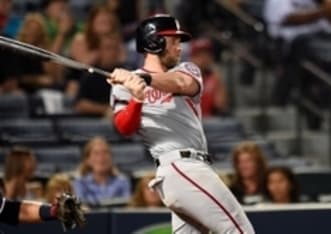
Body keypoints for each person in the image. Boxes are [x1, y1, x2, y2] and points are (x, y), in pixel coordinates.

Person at [108, 14, 254, 234]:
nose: (179, 47)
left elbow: (181, 83)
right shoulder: (125, 85)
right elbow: (124, 128)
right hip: (179, 166)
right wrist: (137, 98)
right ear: (153, 41)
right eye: (173, 40)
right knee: (240, 231)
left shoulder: (187, 69)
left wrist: (144, 80)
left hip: (193, 168)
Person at [74, 33, 127, 117]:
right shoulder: (91, 74)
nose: (112, 52)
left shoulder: (127, 74)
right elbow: (80, 105)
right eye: (108, 48)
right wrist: (106, 109)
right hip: (96, 121)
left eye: (115, 48)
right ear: (100, 51)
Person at [73, 136, 131, 206]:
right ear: (87, 160)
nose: (101, 157)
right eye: (96, 153)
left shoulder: (122, 181)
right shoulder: (80, 183)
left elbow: (127, 207)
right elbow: (81, 208)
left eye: (105, 152)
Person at [190, 38, 229, 117]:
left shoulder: (215, 79)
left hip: (210, 122)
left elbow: (221, 106)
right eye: (199, 55)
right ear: (192, 58)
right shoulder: (183, 78)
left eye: (207, 55)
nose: (204, 59)